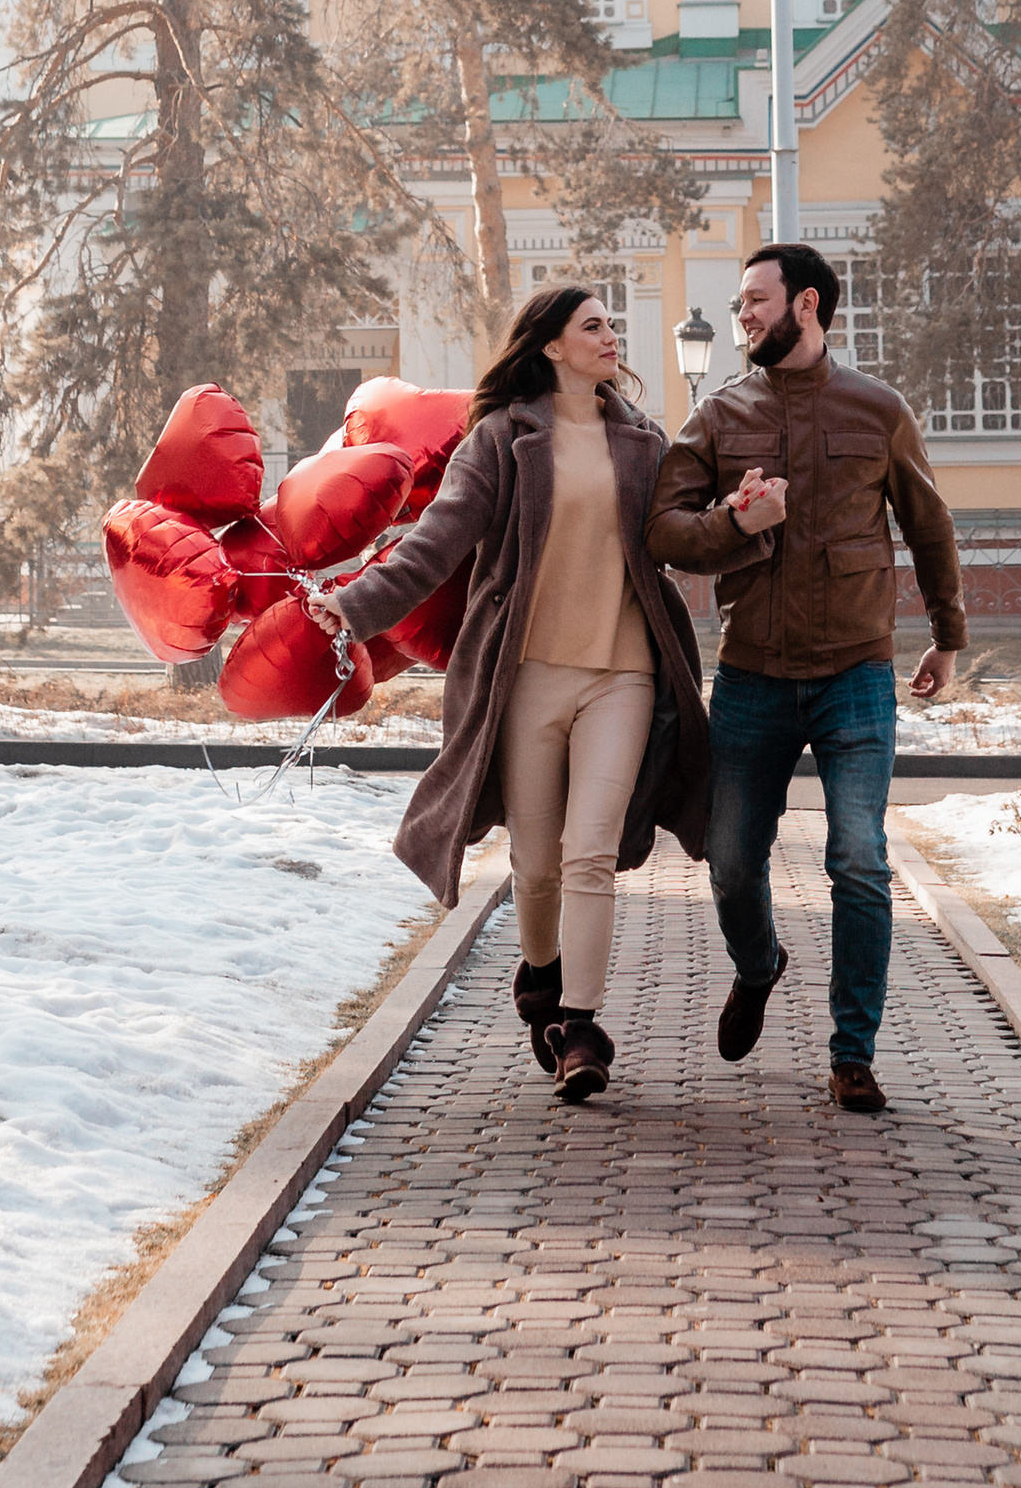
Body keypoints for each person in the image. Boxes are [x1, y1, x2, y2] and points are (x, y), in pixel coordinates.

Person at [314, 284, 709, 1106]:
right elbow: (435, 546)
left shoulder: (642, 442)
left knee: (590, 853)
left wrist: (740, 523)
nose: (610, 337)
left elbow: (680, 539)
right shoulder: (501, 439)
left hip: (624, 674)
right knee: (535, 865)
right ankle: (542, 974)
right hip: (527, 676)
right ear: (552, 346)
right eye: (592, 326)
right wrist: (348, 609)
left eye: (610, 325)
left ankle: (580, 1027)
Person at [645, 239, 965, 1114]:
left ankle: (852, 1052)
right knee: (733, 866)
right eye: (741, 300)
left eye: (755, 299)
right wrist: (736, 522)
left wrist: (945, 634)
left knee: (859, 860)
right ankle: (759, 965)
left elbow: (929, 526)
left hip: (856, 673)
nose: (742, 313)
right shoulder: (718, 416)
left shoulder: (877, 410)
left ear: (808, 305)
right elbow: (663, 530)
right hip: (751, 675)